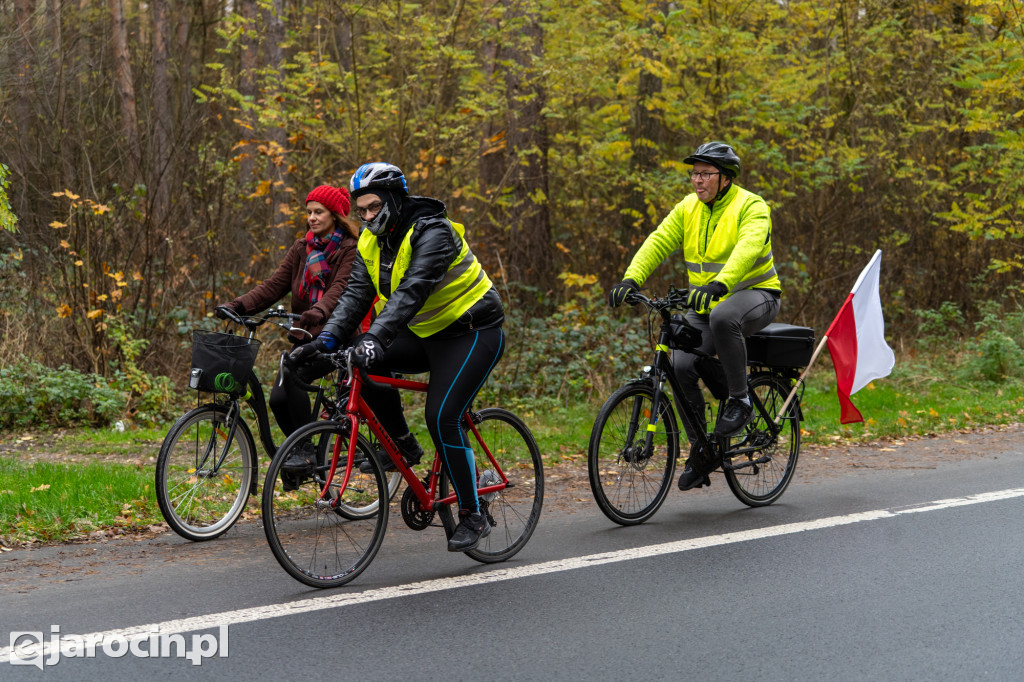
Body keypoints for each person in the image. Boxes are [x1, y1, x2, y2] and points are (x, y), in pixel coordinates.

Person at [290, 162, 505, 553]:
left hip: (473, 331)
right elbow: (355, 297)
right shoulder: (372, 240)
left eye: (375, 207)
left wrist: (375, 338)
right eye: (362, 211)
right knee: (359, 362)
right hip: (425, 333)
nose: (369, 218)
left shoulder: (433, 232)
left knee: (442, 417)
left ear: (394, 198)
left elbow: (411, 292)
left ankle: (472, 512)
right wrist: (324, 343)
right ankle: (404, 448)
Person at [607, 141, 782, 491]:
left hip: (757, 295)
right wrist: (631, 278)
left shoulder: (752, 206)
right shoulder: (688, 208)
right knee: (682, 366)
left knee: (721, 317)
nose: (697, 181)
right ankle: (702, 451)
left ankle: (740, 400)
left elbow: (748, 248)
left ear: (725, 177)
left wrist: (721, 283)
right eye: (694, 173)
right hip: (707, 302)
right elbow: (658, 241)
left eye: (705, 174)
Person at [217, 184, 359, 469]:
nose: (312, 217)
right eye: (309, 212)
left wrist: (318, 311)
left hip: (337, 336)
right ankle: (301, 449)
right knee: (278, 398)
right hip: (306, 334)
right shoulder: (302, 248)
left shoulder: (349, 250)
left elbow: (341, 290)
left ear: (335, 215)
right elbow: (273, 286)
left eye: (319, 212)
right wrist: (238, 305)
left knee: (294, 376)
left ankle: (304, 450)